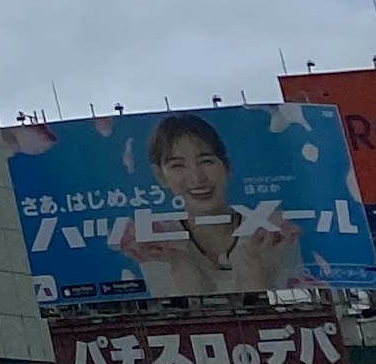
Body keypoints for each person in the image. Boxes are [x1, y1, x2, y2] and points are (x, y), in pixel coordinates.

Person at [117, 113, 311, 298]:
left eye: (206, 161)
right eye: (177, 166)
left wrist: (251, 261)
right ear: (161, 176)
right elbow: (187, 321)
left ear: (226, 167)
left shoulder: (271, 233)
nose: (197, 177)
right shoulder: (155, 242)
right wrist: (180, 262)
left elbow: (280, 315)